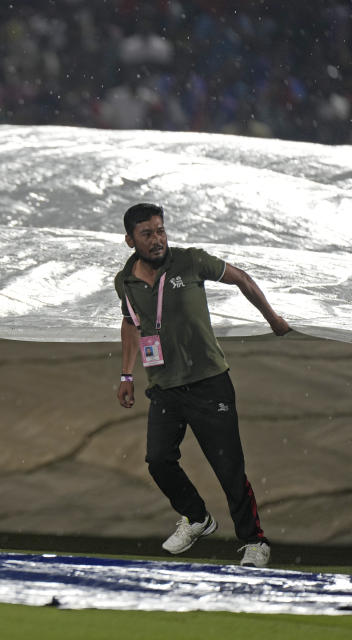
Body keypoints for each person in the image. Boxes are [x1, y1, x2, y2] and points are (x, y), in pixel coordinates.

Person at [113, 203, 290, 568]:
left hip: (210, 383)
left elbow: (240, 277)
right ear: (130, 240)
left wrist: (272, 317)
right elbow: (131, 324)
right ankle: (197, 518)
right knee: (159, 460)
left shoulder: (190, 261)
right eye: (147, 233)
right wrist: (126, 375)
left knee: (228, 469)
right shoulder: (124, 281)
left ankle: (255, 542)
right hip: (164, 387)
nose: (158, 239)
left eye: (161, 230)